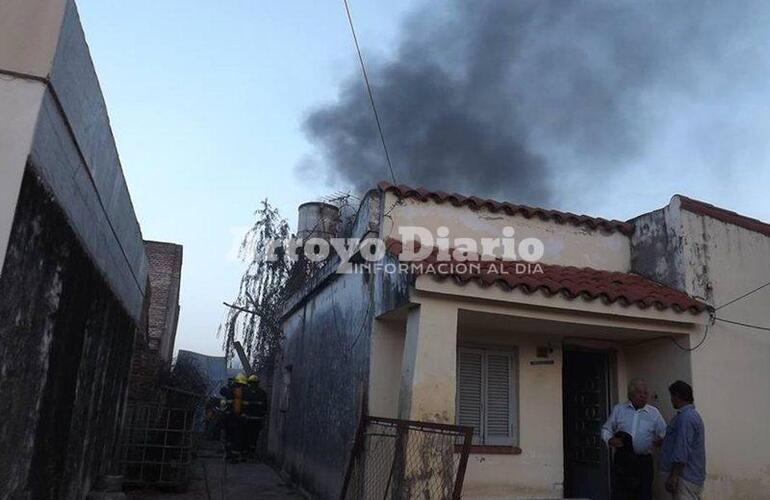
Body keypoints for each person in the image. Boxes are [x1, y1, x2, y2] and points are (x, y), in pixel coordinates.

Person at [602, 379, 667, 500]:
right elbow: (606, 429)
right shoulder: (619, 410)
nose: (643, 396)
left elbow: (666, 435)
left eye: (645, 393)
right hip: (623, 461)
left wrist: (659, 442)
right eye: (639, 392)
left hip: (643, 462)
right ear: (630, 394)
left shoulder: (653, 413)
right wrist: (610, 439)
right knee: (621, 494)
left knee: (643, 494)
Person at [661, 381, 706, 500]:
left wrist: (674, 476)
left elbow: (682, 449)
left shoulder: (685, 418)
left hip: (685, 477)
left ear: (677, 395)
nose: (671, 400)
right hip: (693, 476)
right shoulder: (692, 415)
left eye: (672, 396)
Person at [219, 373, 249, 461]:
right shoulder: (245, 392)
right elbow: (246, 406)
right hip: (238, 419)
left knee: (228, 436)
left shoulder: (228, 391)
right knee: (237, 437)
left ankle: (228, 454)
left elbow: (222, 397)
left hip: (228, 418)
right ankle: (234, 456)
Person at [243, 374, 269, 459]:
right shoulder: (247, 392)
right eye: (252, 383)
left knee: (253, 436)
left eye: (254, 383)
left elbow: (264, 406)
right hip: (248, 418)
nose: (253, 384)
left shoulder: (261, 393)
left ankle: (250, 452)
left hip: (255, 419)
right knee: (248, 436)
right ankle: (247, 452)